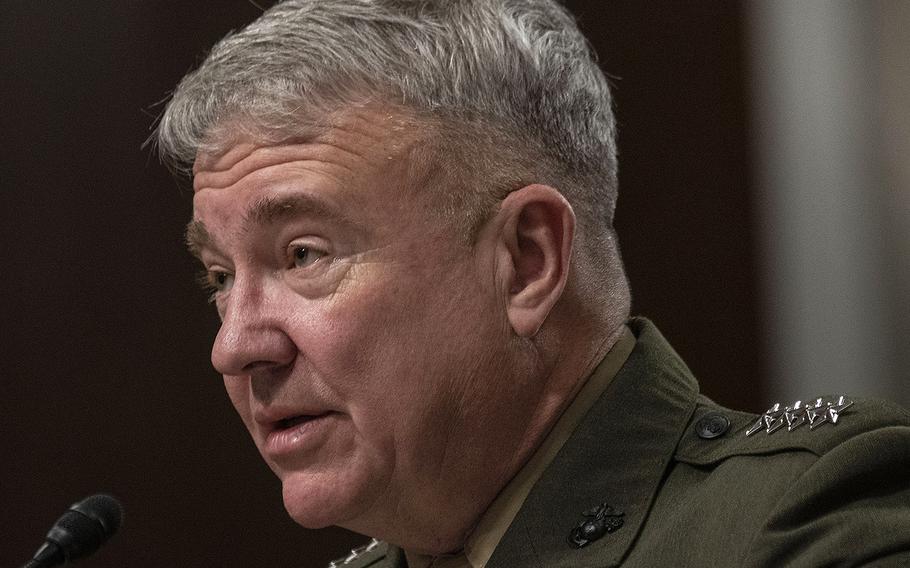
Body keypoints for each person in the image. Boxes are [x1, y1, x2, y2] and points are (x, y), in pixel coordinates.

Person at [154, 1, 910, 566]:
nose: (235, 345)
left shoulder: (800, 525)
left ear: (526, 261)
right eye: (219, 275)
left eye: (302, 256)